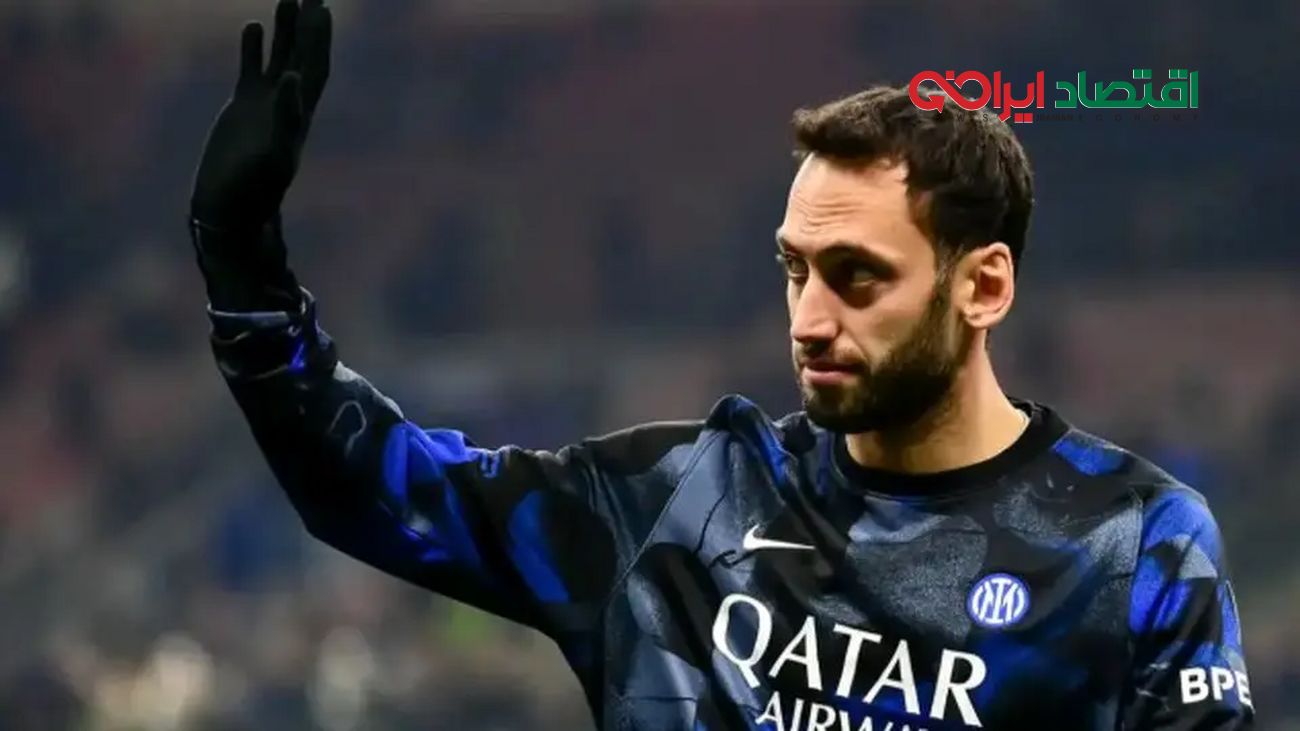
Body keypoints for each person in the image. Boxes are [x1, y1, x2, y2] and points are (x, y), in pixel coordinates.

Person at [186, 2, 1254, 729]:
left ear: (982, 286)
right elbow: (374, 488)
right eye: (795, 270)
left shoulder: (1136, 543)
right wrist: (240, 260)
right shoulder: (679, 503)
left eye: (857, 276)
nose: (810, 318)